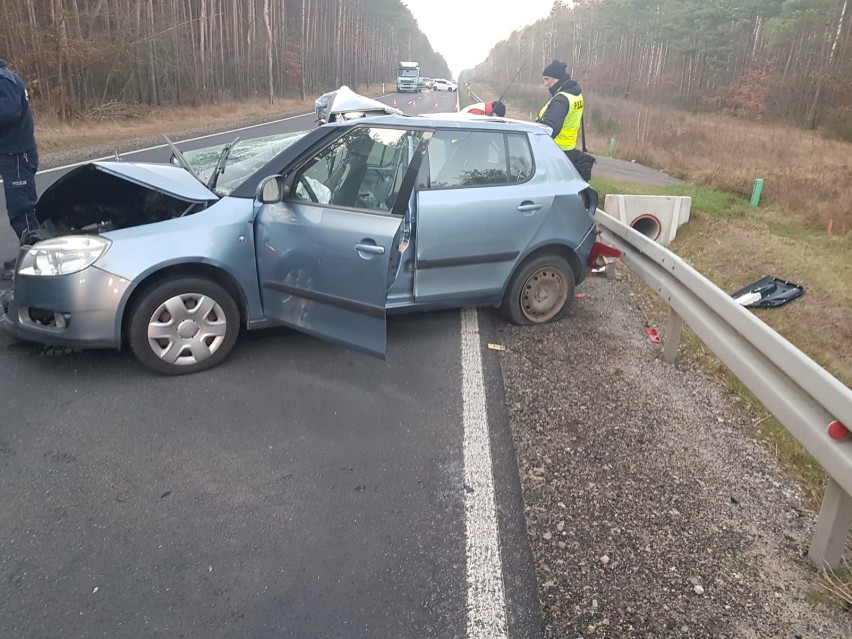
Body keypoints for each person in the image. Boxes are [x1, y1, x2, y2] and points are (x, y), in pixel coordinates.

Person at [0, 58, 39, 279]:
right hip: (10, 152)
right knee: (21, 206)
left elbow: (9, 112)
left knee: (21, 208)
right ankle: (30, 254)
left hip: (17, 154)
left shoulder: (4, 80)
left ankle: (32, 260)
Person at [537, 60, 593, 180]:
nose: (545, 84)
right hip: (568, 151)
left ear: (557, 79)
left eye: (547, 79)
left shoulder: (561, 100)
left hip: (554, 153)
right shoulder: (576, 94)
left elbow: (549, 129)